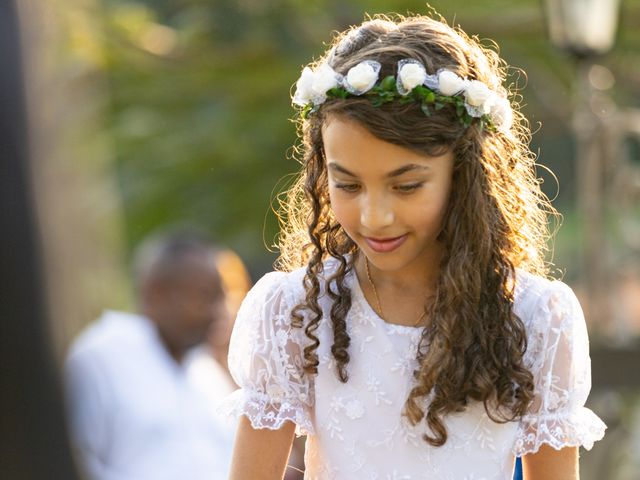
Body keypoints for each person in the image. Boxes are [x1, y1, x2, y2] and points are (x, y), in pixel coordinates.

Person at [220, 13, 607, 480]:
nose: (374, 216)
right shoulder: (295, 312)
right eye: (348, 185)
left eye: (405, 187)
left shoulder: (536, 317)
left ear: (466, 176)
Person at [65, 231, 235, 480]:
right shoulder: (99, 360)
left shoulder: (207, 374)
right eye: (205, 296)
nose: (217, 312)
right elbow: (75, 463)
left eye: (220, 298)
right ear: (156, 293)